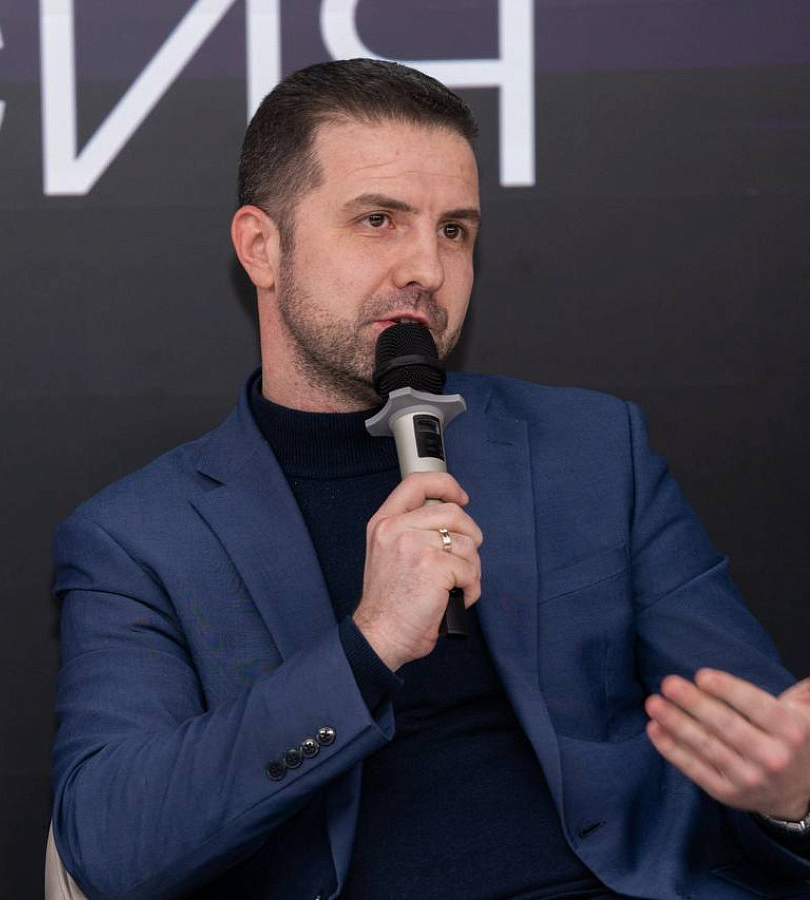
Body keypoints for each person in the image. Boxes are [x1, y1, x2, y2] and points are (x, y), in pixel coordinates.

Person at [50, 59, 810, 899]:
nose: (427, 268)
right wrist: (368, 644)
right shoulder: (141, 538)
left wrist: (793, 801)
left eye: (454, 230)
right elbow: (112, 844)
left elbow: (761, 735)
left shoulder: (593, 452)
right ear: (261, 247)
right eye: (379, 220)